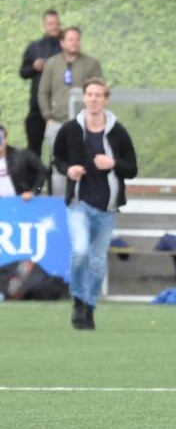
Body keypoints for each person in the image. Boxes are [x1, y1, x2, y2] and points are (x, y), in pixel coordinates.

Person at [52, 78, 137, 330]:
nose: (93, 99)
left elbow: (132, 168)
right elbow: (57, 158)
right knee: (80, 251)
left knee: (98, 261)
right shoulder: (70, 129)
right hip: (79, 203)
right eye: (89, 94)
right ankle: (78, 299)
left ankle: (89, 305)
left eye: (98, 95)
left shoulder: (117, 131)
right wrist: (69, 170)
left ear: (106, 99)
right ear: (84, 98)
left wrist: (114, 164)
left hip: (106, 207)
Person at [38, 26, 103, 196]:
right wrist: (48, 117)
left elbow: (99, 90)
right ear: (62, 42)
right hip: (57, 122)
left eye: (77, 39)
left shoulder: (91, 64)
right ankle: (60, 202)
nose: (74, 43)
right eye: (71, 39)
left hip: (83, 124)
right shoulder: (52, 64)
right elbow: (43, 92)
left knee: (86, 162)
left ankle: (86, 200)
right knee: (58, 165)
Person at [19, 9, 62, 157]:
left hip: (59, 109)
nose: (54, 27)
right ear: (44, 26)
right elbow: (23, 72)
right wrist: (34, 67)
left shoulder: (65, 47)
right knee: (33, 149)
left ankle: (54, 174)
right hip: (37, 108)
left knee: (57, 151)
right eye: (51, 24)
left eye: (56, 23)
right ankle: (34, 174)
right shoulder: (34, 47)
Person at [0, 123, 45, 199]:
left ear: (6, 139)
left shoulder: (22, 155)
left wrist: (34, 191)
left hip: (22, 203)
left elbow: (42, 170)